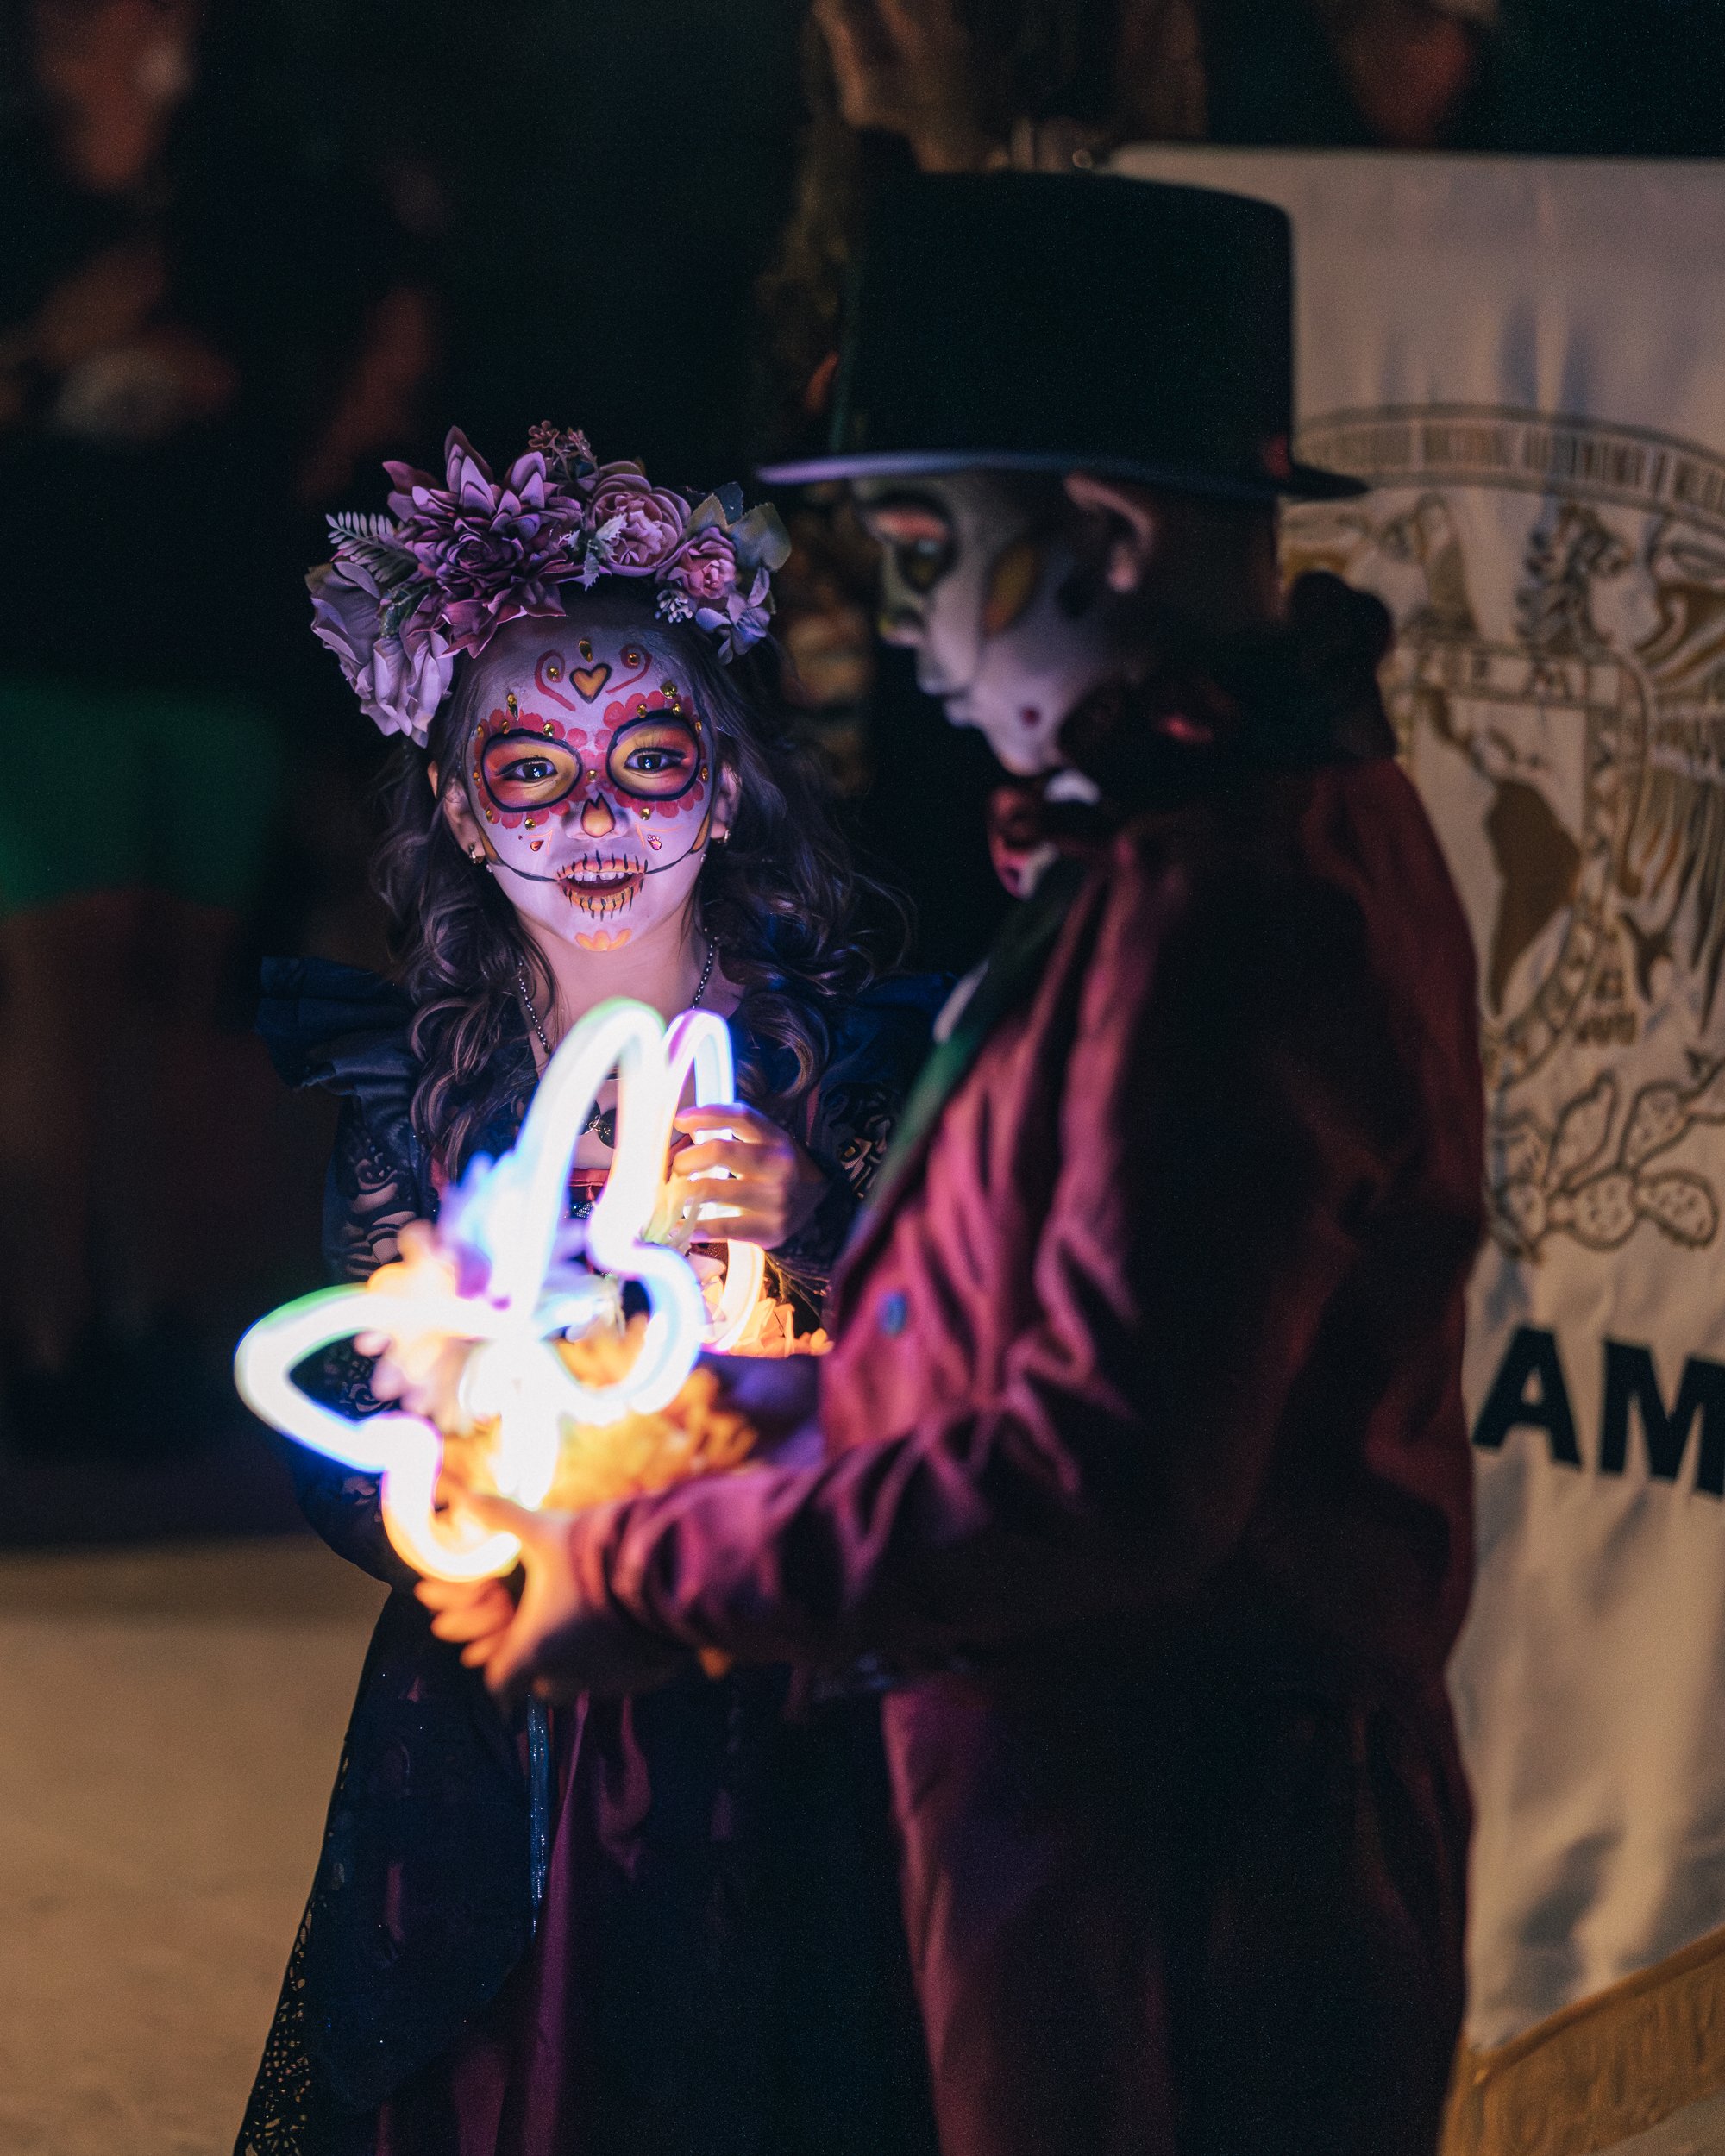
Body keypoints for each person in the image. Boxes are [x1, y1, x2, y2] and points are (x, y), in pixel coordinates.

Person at [461, 176, 1488, 2156]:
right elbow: (1031, 1338)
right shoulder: (1181, 840)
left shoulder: (1232, 897)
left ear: (1101, 532)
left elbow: (1097, 1475)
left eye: (929, 548)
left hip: (1179, 1837)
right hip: (1107, 1796)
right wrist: (735, 1418)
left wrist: (661, 1561)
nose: (905, 627)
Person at [237, 424, 944, 2155]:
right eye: (536, 776)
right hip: (499, 1718)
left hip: (774, 1689)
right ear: (465, 812)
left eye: (646, 757)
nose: (601, 816)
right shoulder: (416, 1099)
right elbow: (345, 1441)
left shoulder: (841, 1067)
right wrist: (446, 1474)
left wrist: (824, 1228)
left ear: (718, 785)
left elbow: (960, 1361)